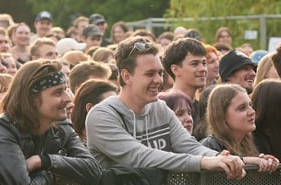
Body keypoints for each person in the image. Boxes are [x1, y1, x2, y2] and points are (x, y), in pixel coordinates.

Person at [85, 37, 244, 177]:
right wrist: (204, 162)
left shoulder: (159, 108)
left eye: (160, 73)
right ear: (127, 76)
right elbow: (140, 157)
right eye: (150, 74)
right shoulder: (101, 116)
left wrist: (224, 159)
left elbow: (189, 147)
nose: (158, 80)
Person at [0, 60, 102, 185]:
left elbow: (94, 171)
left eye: (65, 90)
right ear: (33, 99)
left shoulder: (62, 126)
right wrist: (57, 174)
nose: (68, 99)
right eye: (57, 93)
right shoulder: (0, 130)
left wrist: (45, 161)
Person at [200, 84, 279, 172]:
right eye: (242, 108)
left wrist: (266, 164)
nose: (252, 112)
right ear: (221, 116)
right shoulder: (208, 147)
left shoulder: (253, 143)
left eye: (250, 105)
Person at [163, 38, 208, 126]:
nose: (203, 69)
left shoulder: (205, 108)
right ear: (175, 70)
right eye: (194, 64)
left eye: (204, 63)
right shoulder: (163, 107)